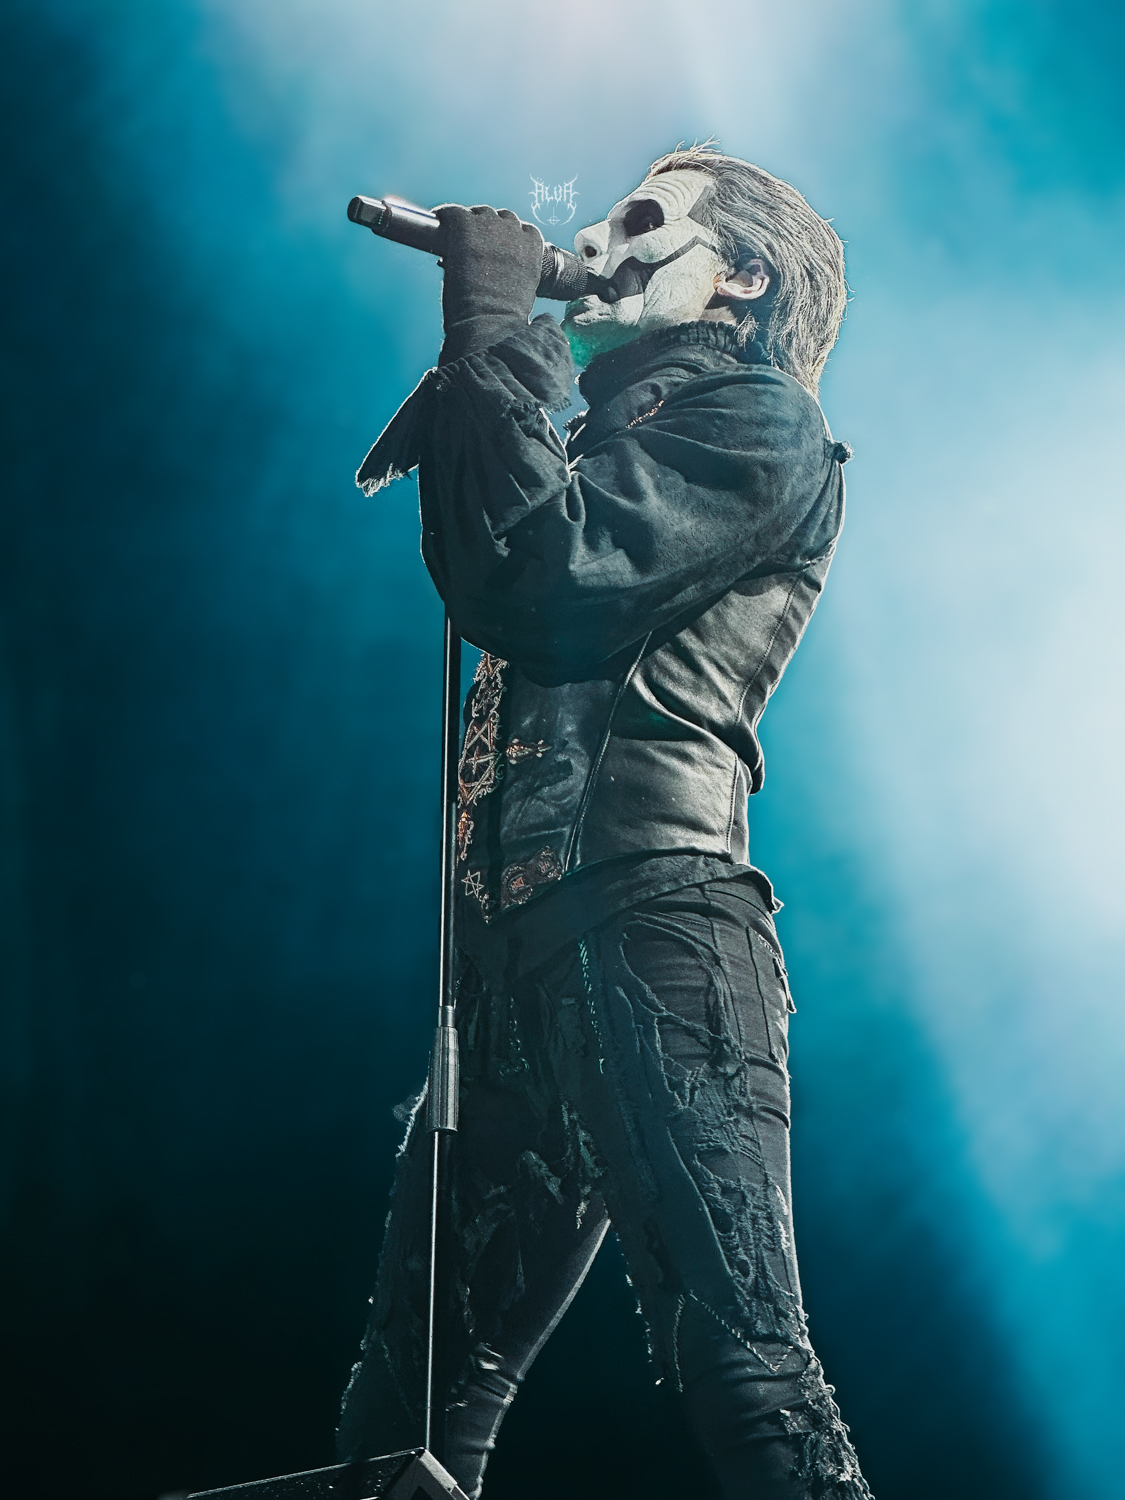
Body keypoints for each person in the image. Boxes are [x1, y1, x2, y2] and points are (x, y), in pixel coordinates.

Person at [338, 144, 872, 1500]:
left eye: (644, 221)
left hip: (653, 929)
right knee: (404, 1425)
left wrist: (491, 328)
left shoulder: (759, 423)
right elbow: (487, 568)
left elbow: (546, 577)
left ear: (738, 277)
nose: (596, 240)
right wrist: (507, 360)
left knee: (748, 1377)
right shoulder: (609, 436)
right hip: (506, 967)